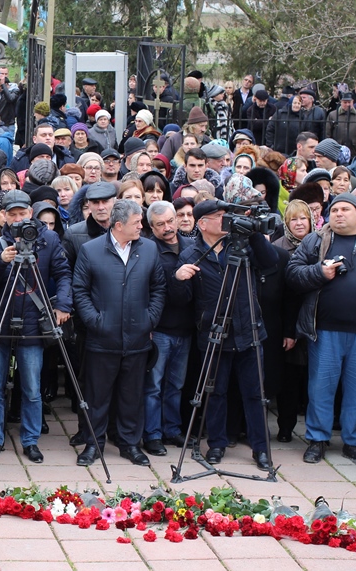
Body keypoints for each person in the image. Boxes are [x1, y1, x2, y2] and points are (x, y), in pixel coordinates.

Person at [287, 192, 356, 466]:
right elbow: (293, 274)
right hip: (323, 330)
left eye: (346, 209)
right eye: (335, 210)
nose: (339, 214)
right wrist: (319, 273)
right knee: (321, 387)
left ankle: (354, 442)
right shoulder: (316, 240)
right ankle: (317, 439)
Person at [172, 199, 277, 471]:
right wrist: (179, 279)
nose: (226, 221)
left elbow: (270, 261)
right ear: (202, 223)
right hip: (213, 333)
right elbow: (184, 300)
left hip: (248, 330)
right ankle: (216, 444)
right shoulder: (191, 254)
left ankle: (261, 448)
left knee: (255, 393)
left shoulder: (240, 245)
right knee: (215, 392)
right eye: (220, 216)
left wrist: (253, 233)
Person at [0, 190, 72, 463]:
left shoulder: (49, 239)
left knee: (32, 388)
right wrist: (0, 261)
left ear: (31, 213)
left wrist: (63, 305)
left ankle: (30, 440)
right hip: (1, 321)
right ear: (4, 216)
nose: (19, 220)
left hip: (34, 324)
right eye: (13, 215)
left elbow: (63, 273)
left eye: (23, 214)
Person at [73, 200, 166, 467]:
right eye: (137, 221)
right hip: (102, 340)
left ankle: (129, 444)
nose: (141, 225)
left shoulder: (148, 249)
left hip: (137, 338)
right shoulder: (91, 250)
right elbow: (80, 290)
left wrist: (149, 319)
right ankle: (93, 444)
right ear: (118, 225)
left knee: (131, 395)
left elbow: (159, 288)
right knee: (97, 397)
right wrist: (96, 321)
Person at [142, 201, 194, 455]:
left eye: (170, 221)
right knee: (153, 385)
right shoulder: (147, 249)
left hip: (185, 328)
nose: (168, 228)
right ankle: (152, 434)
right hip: (159, 328)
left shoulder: (191, 246)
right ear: (151, 227)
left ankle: (171, 429)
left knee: (176, 384)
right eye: (160, 224)